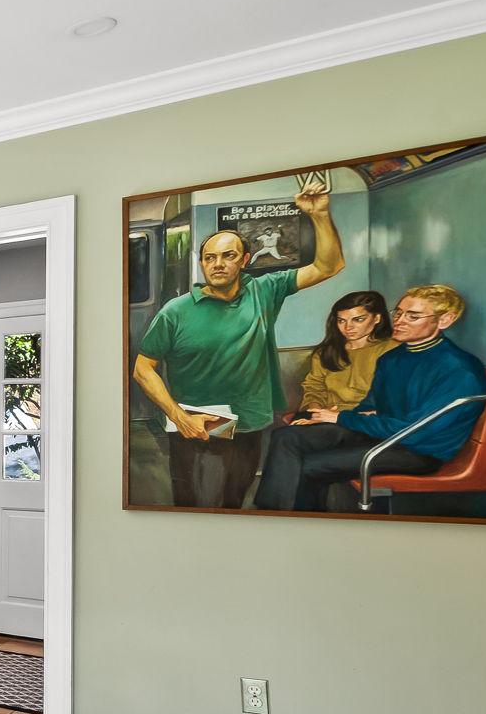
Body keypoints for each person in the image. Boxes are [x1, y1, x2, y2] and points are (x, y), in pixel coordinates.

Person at [132, 181, 344, 508]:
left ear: (244, 259)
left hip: (248, 421)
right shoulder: (176, 312)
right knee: (187, 500)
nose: (218, 263)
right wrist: (178, 415)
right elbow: (143, 369)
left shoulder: (265, 291)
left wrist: (319, 215)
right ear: (202, 264)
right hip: (193, 420)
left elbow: (329, 266)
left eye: (227, 256)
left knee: (235, 497)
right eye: (210, 258)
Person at [254, 284, 486, 512]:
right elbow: (371, 405)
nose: (399, 320)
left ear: (445, 320)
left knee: (312, 465)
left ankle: (295, 519)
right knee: (287, 436)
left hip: (419, 449)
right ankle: (269, 512)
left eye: (413, 316)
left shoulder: (458, 370)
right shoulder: (394, 358)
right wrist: (328, 419)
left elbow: (416, 430)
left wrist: (341, 418)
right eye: (398, 312)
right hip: (383, 433)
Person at [297, 290, 396, 415]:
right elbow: (314, 388)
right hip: (326, 415)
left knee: (291, 434)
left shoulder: (393, 349)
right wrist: (316, 411)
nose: (348, 327)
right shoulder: (327, 352)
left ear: (377, 318)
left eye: (358, 319)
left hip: (367, 418)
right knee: (288, 433)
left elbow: (396, 396)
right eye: (341, 321)